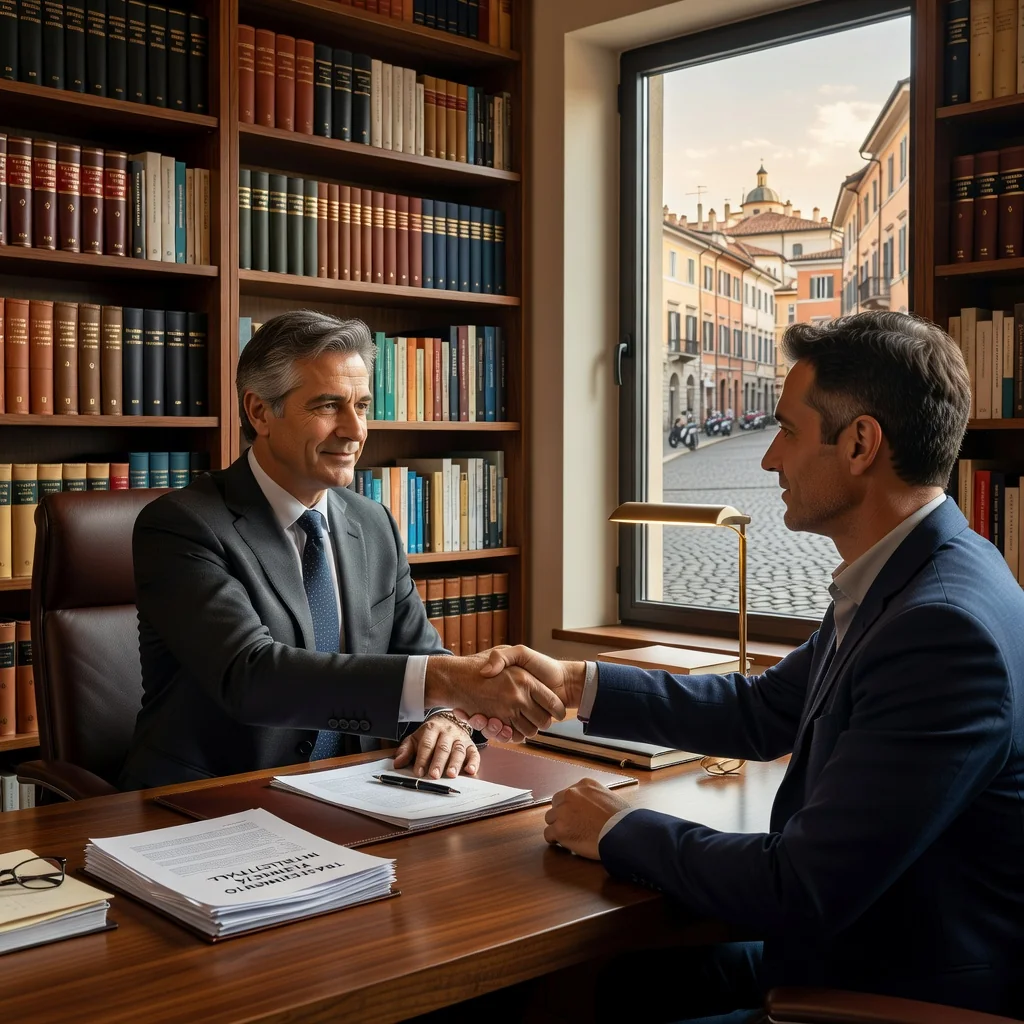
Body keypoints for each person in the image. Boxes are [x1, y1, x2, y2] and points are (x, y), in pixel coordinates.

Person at [476, 311, 1024, 1021]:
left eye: (788, 430)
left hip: (896, 989)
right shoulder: (916, 571)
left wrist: (613, 827)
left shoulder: (940, 630)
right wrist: (576, 683)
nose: (769, 460)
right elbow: (764, 710)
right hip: (854, 947)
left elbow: (798, 885)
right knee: (614, 985)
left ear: (860, 443)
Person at [119, 311, 563, 790]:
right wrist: (448, 681)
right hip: (212, 803)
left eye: (363, 406)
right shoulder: (183, 525)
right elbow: (253, 678)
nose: (355, 431)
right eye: (329, 406)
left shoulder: (373, 524)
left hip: (355, 794)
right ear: (260, 411)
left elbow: (421, 655)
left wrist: (447, 720)